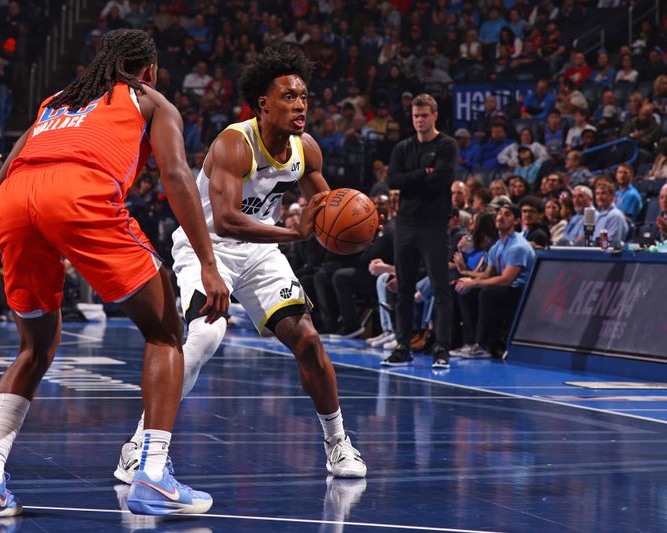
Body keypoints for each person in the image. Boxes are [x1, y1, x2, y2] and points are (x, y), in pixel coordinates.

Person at [0, 29, 229, 520]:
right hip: (79, 194)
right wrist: (208, 265)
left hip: (18, 204)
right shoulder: (151, 99)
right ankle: (152, 473)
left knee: (34, 348)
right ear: (148, 69)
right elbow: (176, 176)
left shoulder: (54, 103)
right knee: (166, 331)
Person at [114, 46, 367, 488]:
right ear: (263, 103)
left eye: (304, 96)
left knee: (308, 340)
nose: (301, 104)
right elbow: (228, 219)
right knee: (206, 335)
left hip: (259, 251)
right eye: (289, 97)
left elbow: (325, 203)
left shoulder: (305, 148)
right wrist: (296, 234)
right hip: (206, 246)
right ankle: (139, 447)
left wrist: (351, 218)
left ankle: (338, 442)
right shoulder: (235, 142)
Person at [382, 93, 458, 369]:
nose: (419, 120)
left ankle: (441, 348)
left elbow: (440, 180)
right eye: (416, 116)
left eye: (424, 115)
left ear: (435, 116)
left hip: (434, 225)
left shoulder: (447, 145)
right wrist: (422, 174)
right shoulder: (403, 148)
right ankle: (403, 345)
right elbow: (393, 181)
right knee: (403, 287)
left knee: (440, 288)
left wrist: (415, 178)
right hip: (405, 224)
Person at [454, 204, 536, 358]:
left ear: (517, 221)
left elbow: (506, 280)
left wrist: (474, 282)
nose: (501, 216)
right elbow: (486, 275)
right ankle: (470, 343)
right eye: (499, 213)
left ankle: (483, 345)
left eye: (507, 215)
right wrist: (466, 276)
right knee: (466, 291)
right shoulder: (497, 246)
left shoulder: (518, 246)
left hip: (521, 292)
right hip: (505, 289)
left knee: (487, 292)